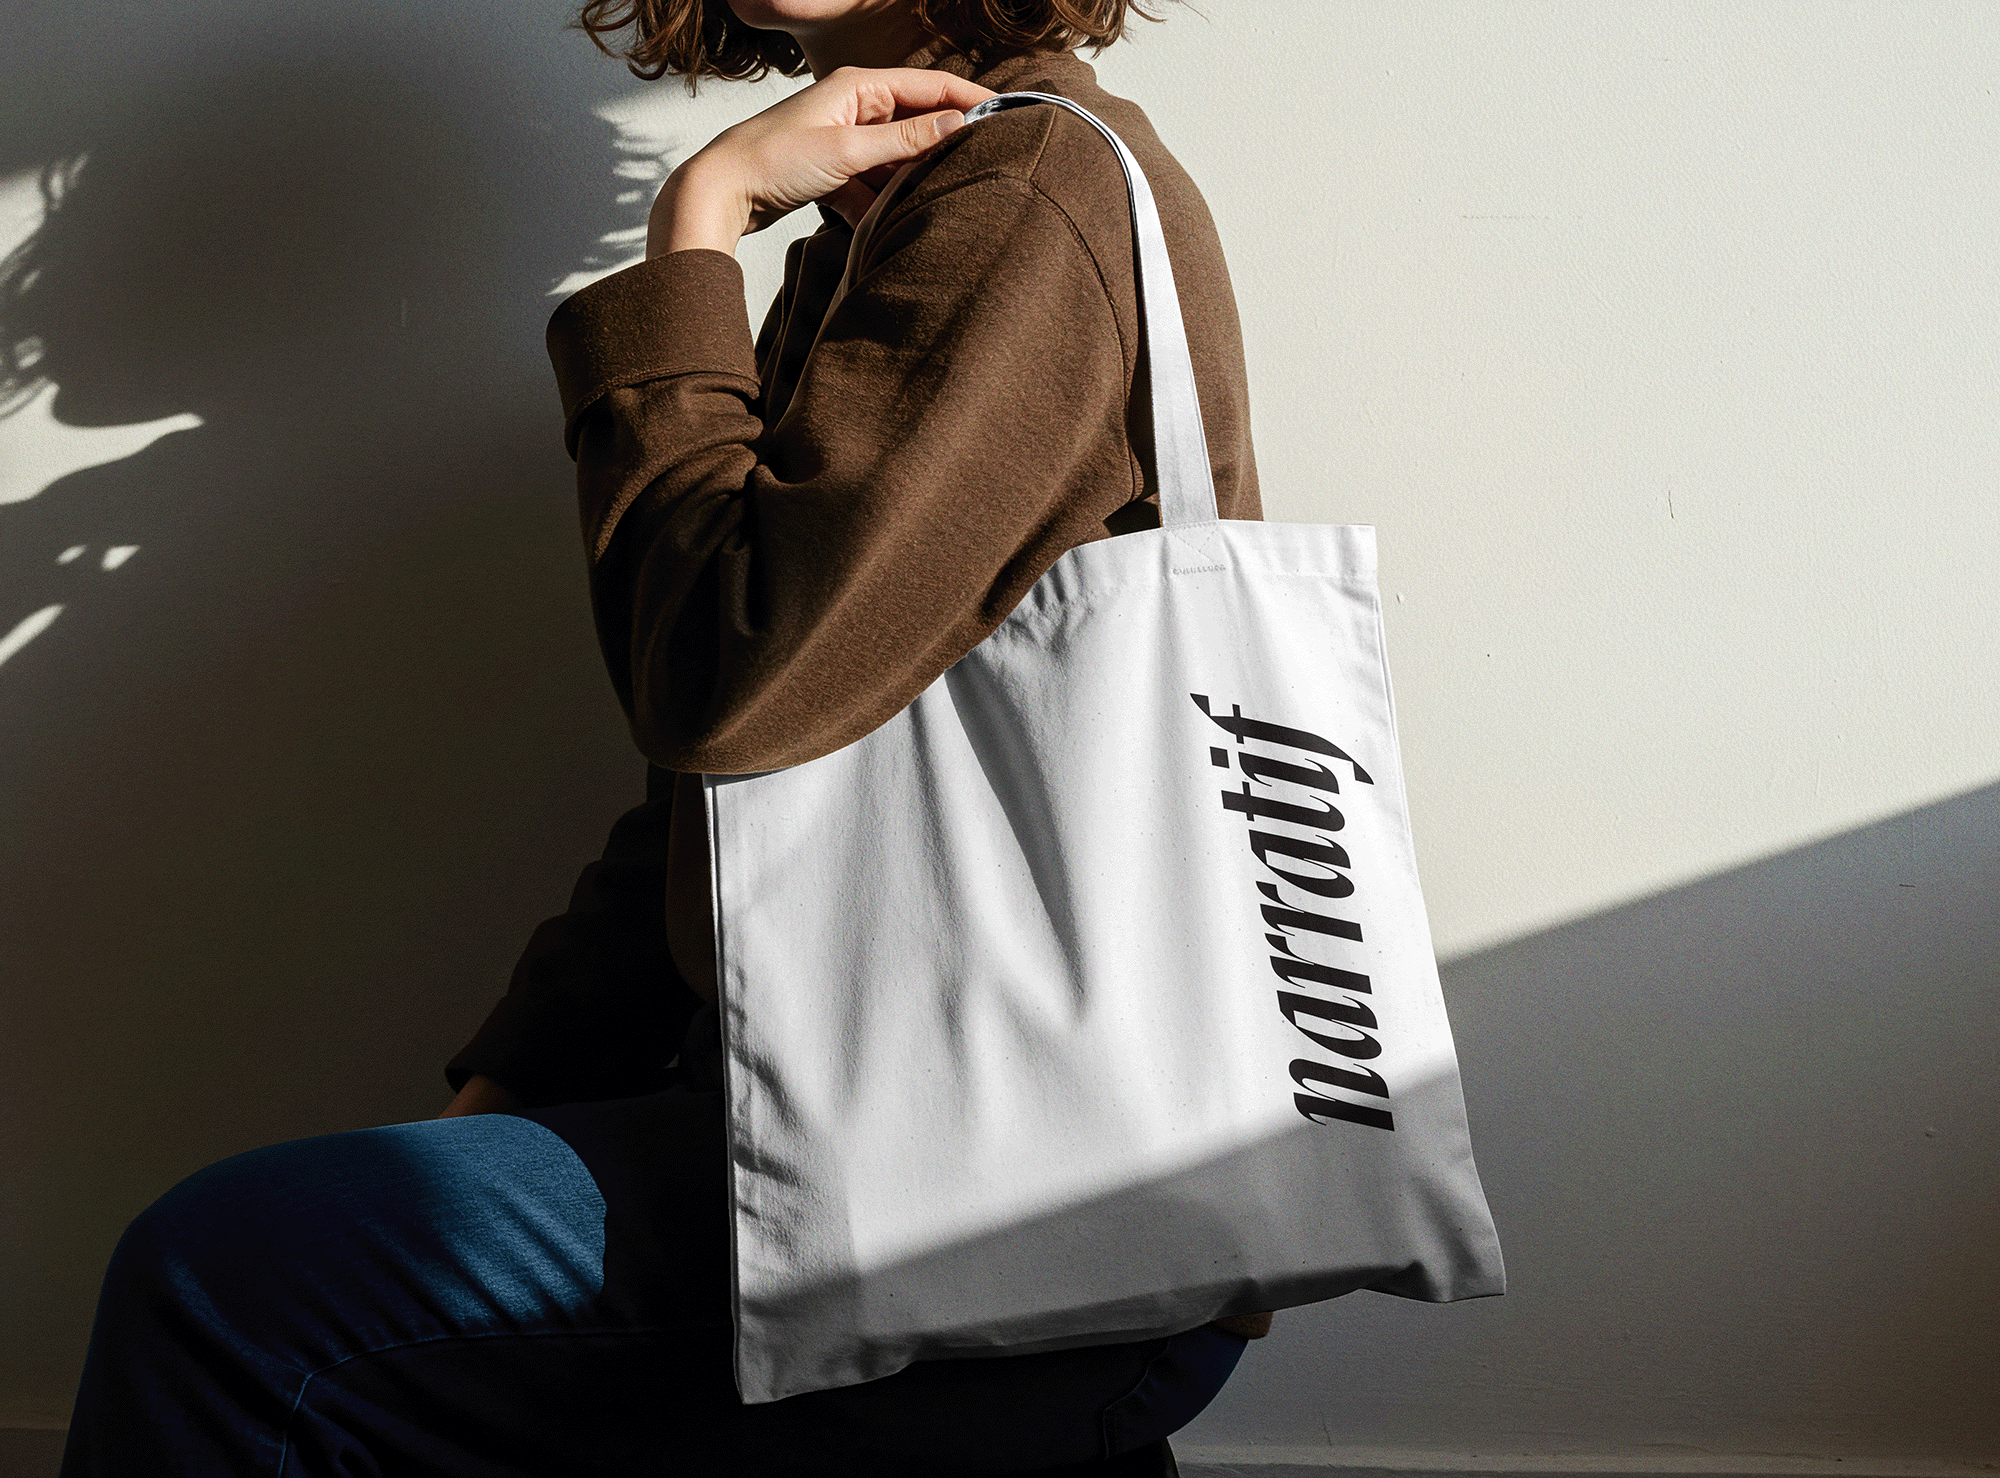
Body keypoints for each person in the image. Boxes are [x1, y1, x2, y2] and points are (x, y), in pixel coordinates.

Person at [60, 0, 1271, 1471]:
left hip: (1017, 1197)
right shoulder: (902, 204)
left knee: (220, 1288)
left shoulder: (1022, 191)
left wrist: (697, 228)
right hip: (921, 1133)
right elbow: (735, 791)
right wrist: (507, 1084)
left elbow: (728, 682)